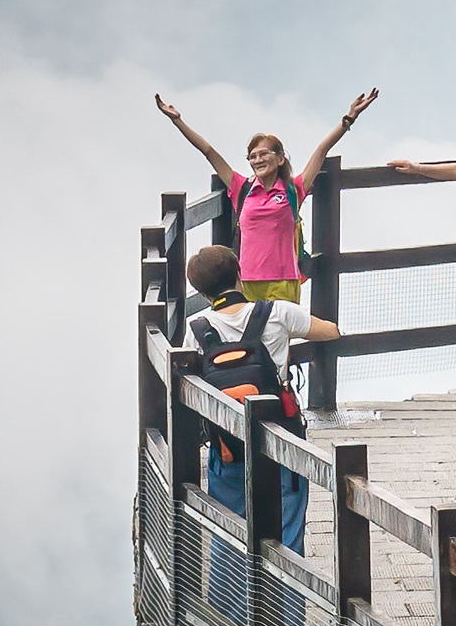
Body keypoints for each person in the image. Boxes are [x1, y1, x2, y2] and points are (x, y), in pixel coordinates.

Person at [156, 88, 382, 310]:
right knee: (253, 344)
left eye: (264, 154)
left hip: (284, 281)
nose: (257, 160)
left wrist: (350, 117)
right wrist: (178, 121)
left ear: (280, 159)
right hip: (246, 283)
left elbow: (321, 150)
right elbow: (209, 152)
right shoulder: (241, 188)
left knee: (279, 343)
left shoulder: (293, 189)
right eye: (252, 156)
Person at [175, 241, 324, 562]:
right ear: (240, 275)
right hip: (282, 440)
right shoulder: (278, 312)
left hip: (227, 445)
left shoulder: (197, 329)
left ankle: (229, 609)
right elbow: (331, 331)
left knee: (227, 534)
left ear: (202, 293)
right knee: (287, 536)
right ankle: (283, 607)